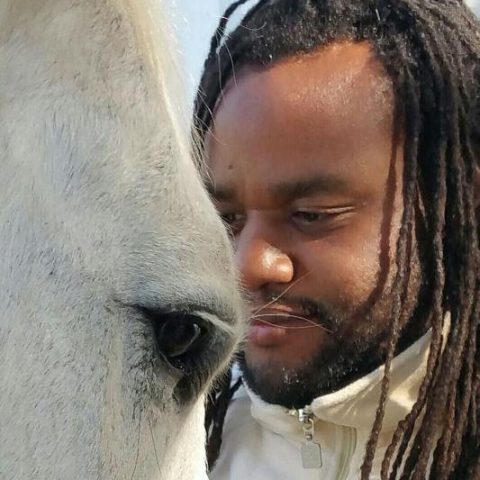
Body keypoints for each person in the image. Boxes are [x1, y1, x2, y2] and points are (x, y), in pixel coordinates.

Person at [194, 1, 480, 478]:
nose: (247, 266)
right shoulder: (187, 451)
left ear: (454, 206)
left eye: (310, 215)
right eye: (228, 219)